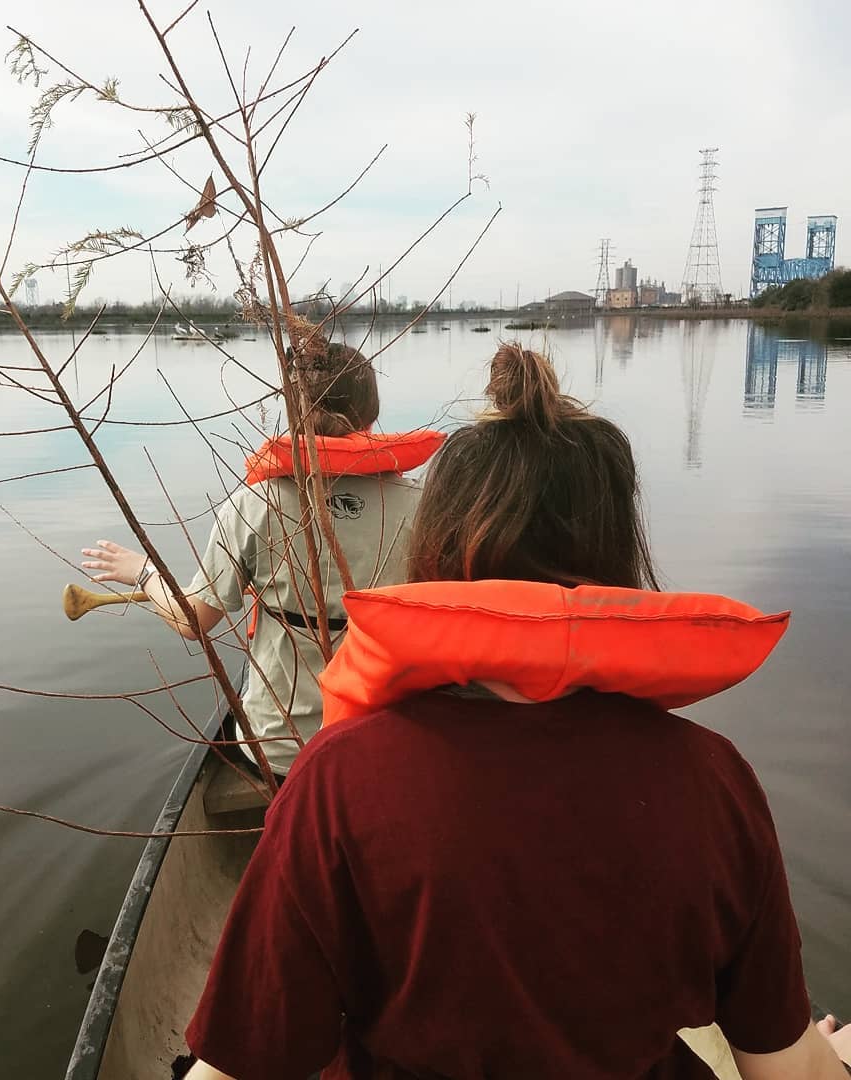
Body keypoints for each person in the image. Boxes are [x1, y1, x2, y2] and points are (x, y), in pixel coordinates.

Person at [182, 343, 851, 1079]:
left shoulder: (337, 783)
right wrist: (826, 1057)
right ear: (617, 550)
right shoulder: (715, 781)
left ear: (437, 548)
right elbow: (784, 1072)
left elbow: (241, 1068)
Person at [82, 339, 444, 778]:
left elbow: (192, 621)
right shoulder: (422, 506)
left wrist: (145, 573)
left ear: (293, 409)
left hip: (280, 748)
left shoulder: (255, 505)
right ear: (370, 411)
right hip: (384, 738)